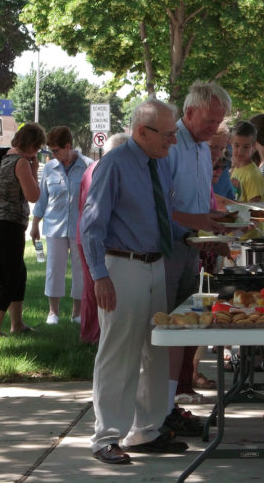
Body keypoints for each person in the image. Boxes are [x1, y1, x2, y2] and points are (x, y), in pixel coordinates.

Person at [81, 99, 188, 464]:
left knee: (156, 350)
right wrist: (100, 276)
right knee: (120, 353)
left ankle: (146, 430)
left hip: (155, 264)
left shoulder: (158, 165)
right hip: (122, 266)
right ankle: (106, 436)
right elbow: (91, 225)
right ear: (142, 131)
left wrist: (198, 231)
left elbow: (161, 219)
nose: (173, 141)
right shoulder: (114, 164)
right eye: (168, 134)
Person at [164, 81, 231, 433]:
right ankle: (158, 409)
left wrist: (217, 229)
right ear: (189, 113)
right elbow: (160, 207)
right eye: (209, 121)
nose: (214, 128)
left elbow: (202, 200)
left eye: (219, 121)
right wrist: (201, 224)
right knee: (163, 332)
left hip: (193, 250)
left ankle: (170, 406)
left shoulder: (204, 148)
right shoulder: (170, 144)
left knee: (183, 329)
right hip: (168, 250)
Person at [0, 123, 45, 338]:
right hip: (9, 224)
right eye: (38, 147)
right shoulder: (22, 162)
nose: (38, 152)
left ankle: (17, 324)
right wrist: (35, 170)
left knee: (19, 273)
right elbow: (33, 196)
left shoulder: (1, 156)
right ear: (33, 145)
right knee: (9, 275)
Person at [30, 126, 93, 325]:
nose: (53, 155)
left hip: (79, 228)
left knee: (80, 271)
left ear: (68, 146)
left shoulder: (88, 166)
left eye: (56, 150)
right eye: (51, 151)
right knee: (53, 269)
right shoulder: (50, 168)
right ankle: (53, 312)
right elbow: (42, 199)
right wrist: (35, 224)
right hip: (54, 227)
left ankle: (77, 313)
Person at [77, 133, 129, 344]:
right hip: (97, 238)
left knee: (91, 289)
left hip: (86, 235)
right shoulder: (106, 169)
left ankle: (92, 335)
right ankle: (92, 336)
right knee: (95, 288)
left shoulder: (92, 168)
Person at [230, 121, 264, 203]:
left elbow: (254, 207)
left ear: (254, 147)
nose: (240, 151)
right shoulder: (236, 168)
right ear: (231, 143)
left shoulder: (252, 175)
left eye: (246, 147)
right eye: (236, 145)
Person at [208, 122, 235, 201]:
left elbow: (230, 201)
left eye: (221, 149)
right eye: (212, 147)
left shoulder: (222, 170)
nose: (217, 154)